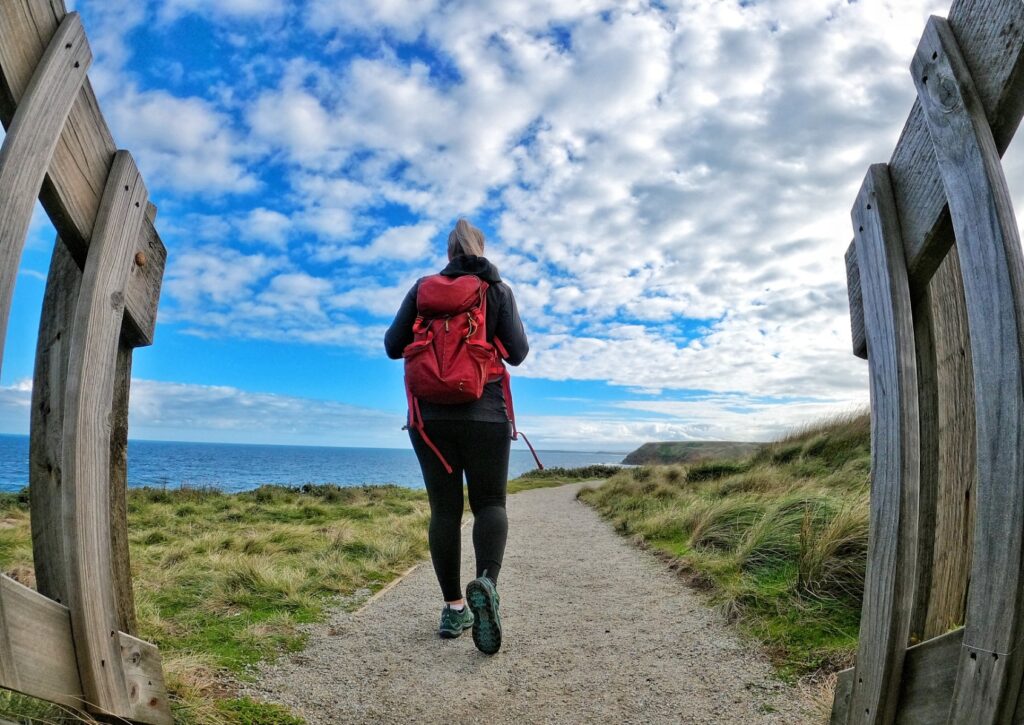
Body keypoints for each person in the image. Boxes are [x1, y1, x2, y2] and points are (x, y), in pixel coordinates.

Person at [385, 218, 529, 655]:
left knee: (444, 511)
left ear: (449, 255)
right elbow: (518, 353)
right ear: (480, 250)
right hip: (486, 413)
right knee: (490, 504)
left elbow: (393, 345)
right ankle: (486, 582)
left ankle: (454, 608)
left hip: (430, 420)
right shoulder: (497, 291)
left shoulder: (422, 289)